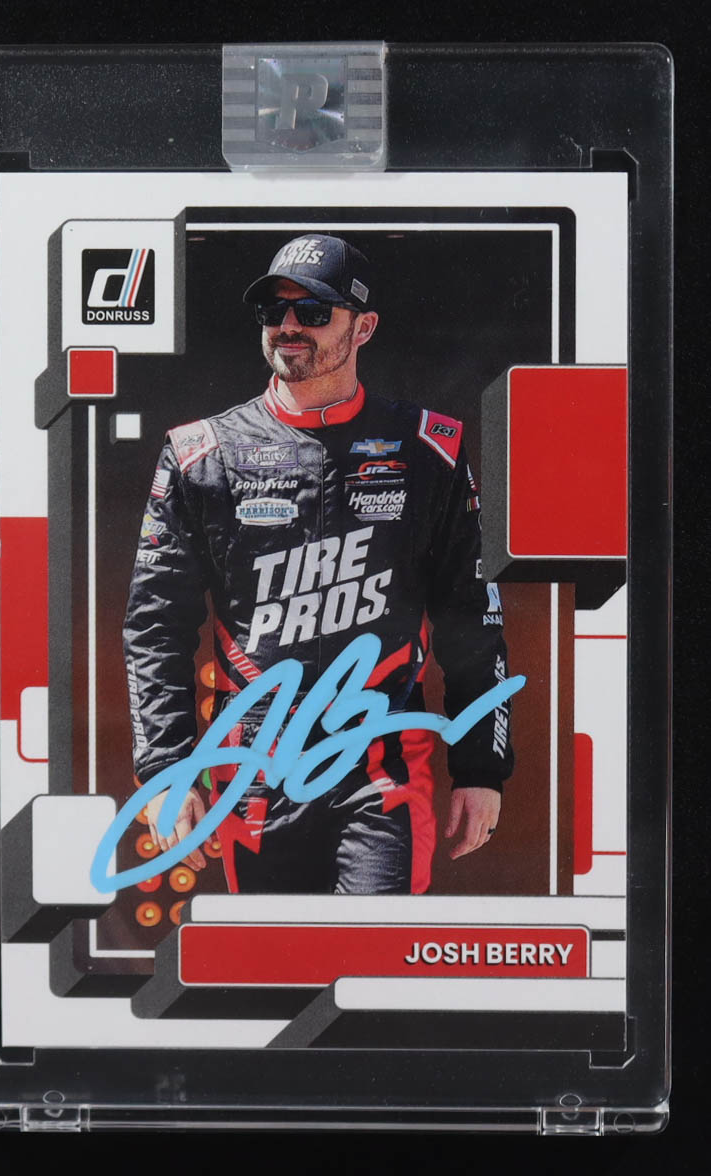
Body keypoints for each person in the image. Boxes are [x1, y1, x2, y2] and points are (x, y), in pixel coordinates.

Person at [124, 234, 513, 894]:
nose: (288, 327)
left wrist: (481, 768)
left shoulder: (429, 450)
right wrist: (168, 768)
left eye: (312, 312)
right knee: (271, 958)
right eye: (273, 311)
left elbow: (471, 619)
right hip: (252, 769)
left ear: (363, 327)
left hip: (382, 764)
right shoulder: (201, 455)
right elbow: (155, 626)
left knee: (373, 956)